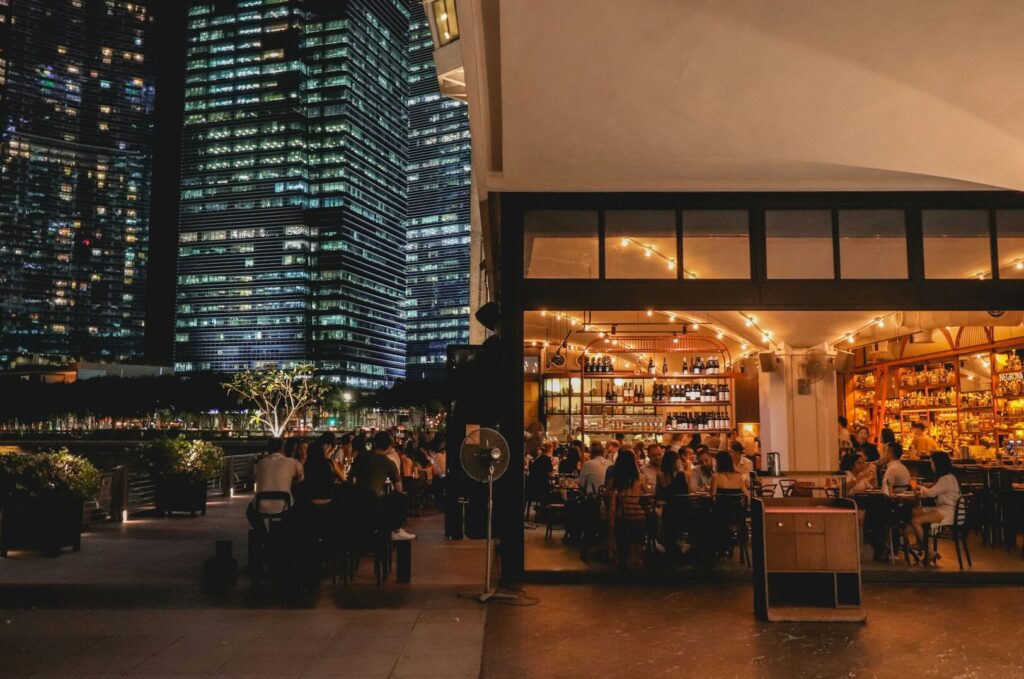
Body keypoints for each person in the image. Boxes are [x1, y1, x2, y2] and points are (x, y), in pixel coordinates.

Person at [349, 430, 414, 541]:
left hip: (354, 502)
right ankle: (396, 530)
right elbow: (399, 489)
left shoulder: (361, 456)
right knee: (401, 497)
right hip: (373, 506)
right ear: (389, 446)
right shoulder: (389, 463)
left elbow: (350, 477)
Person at [910, 452, 960, 563]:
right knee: (915, 511)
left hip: (947, 511)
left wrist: (921, 490)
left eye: (932, 463)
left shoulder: (946, 479)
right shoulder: (949, 477)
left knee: (916, 522)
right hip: (945, 508)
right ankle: (920, 543)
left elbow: (932, 493)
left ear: (938, 464)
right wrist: (923, 486)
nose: (931, 466)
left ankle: (929, 551)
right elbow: (935, 487)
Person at [247, 438, 303, 530]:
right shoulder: (291, 462)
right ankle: (285, 532)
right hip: (285, 505)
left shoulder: (261, 463)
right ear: (282, 448)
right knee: (296, 509)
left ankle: (262, 532)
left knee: (250, 512)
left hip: (260, 505)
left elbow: (255, 477)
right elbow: (300, 478)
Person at [606, 450, 647, 566]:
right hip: (640, 519)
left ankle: (623, 556)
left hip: (623, 519)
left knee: (621, 519)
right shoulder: (641, 479)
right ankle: (637, 556)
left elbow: (608, 495)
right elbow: (649, 495)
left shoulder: (616, 481)